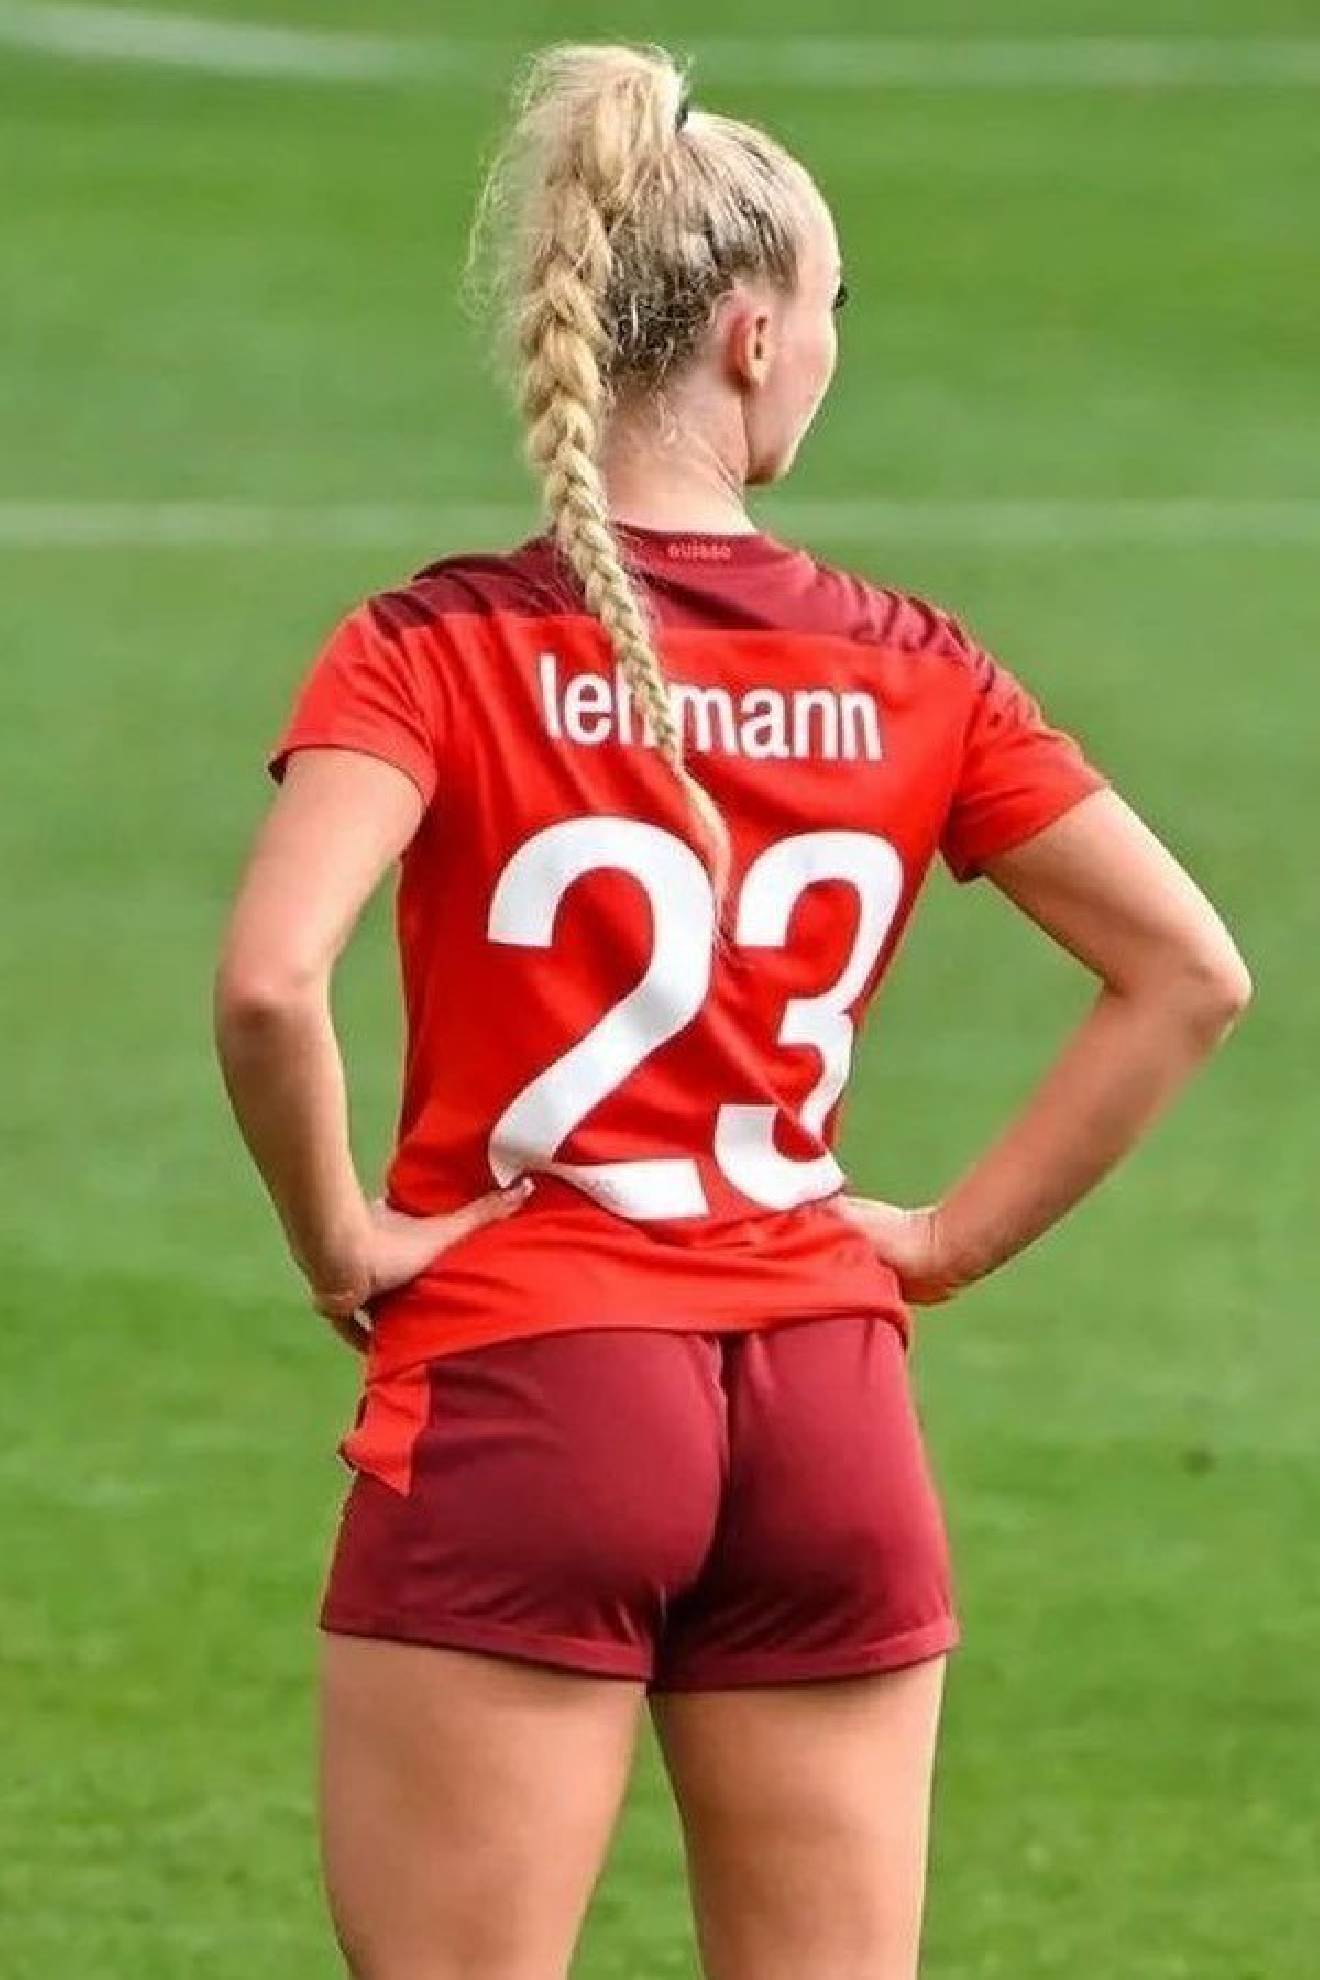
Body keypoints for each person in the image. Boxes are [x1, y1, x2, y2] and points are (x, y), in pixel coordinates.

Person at [213, 42, 1250, 1980]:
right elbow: (1191, 972)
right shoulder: (920, 667)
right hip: (827, 1412)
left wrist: (338, 1235)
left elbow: (273, 984)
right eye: (840, 310)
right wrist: (939, 1244)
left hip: (531, 1388)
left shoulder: (433, 646)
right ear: (756, 340)